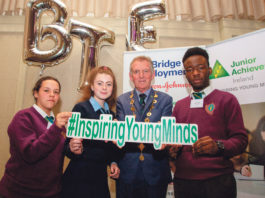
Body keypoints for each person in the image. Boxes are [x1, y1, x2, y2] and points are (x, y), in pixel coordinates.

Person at [170, 47, 248, 198]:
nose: (195, 73)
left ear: (210, 70)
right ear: (185, 74)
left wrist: (218, 146)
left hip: (218, 182)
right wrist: (171, 151)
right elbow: (174, 142)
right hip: (184, 183)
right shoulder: (179, 106)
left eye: (200, 68)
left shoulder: (227, 100)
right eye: (190, 69)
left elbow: (241, 140)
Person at [0, 76, 72, 198]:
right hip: (19, 192)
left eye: (56, 92)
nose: (52, 95)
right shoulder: (23, 117)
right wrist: (55, 127)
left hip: (51, 192)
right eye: (46, 90)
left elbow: (59, 154)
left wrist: (73, 148)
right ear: (35, 93)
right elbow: (30, 153)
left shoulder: (59, 123)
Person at [116, 56, 173, 198]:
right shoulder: (121, 101)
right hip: (127, 172)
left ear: (153, 75)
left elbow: (165, 134)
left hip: (156, 172)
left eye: (145, 71)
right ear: (130, 76)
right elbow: (122, 133)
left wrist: (162, 134)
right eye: (136, 72)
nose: (141, 76)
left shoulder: (166, 100)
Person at [62, 66, 120, 198]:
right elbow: (67, 146)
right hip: (78, 177)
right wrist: (73, 148)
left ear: (112, 88)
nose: (104, 88)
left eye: (108, 84)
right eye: (100, 83)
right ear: (92, 87)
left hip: (99, 178)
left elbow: (109, 148)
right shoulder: (81, 108)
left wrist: (113, 163)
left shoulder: (112, 115)